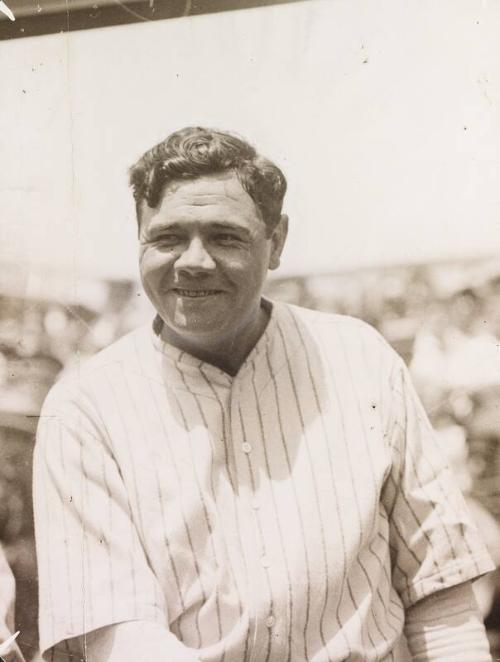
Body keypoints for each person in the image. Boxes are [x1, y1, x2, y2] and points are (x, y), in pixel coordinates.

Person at [33, 127, 495, 661]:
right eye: (167, 237)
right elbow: (118, 636)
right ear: (139, 237)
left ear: (276, 242)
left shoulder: (362, 361)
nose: (193, 261)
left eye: (225, 237)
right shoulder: (85, 409)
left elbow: (440, 592)